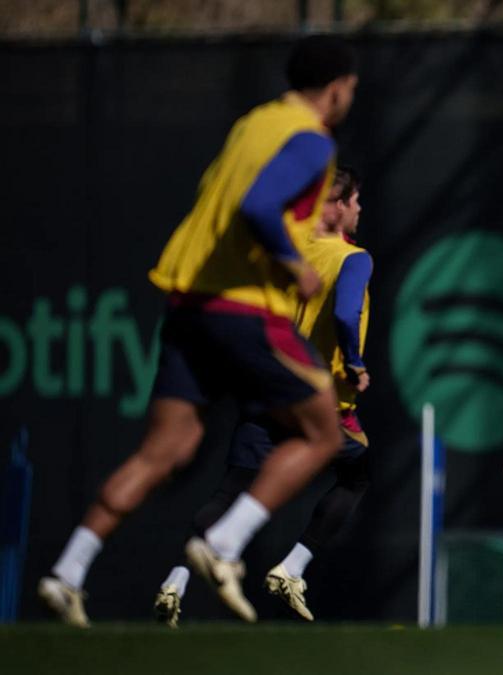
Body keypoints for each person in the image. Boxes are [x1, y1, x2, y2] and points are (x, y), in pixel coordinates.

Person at [38, 35, 359, 627]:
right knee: (321, 430)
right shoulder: (313, 141)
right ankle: (221, 545)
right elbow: (260, 208)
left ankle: (68, 570)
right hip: (240, 306)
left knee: (168, 450)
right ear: (338, 88)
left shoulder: (252, 123)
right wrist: (294, 267)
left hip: (188, 302)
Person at [153, 167, 373, 627]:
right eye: (354, 202)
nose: (359, 210)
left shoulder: (283, 253)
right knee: (356, 475)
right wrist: (353, 360)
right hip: (322, 401)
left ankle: (175, 580)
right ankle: (292, 568)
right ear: (336, 206)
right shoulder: (353, 258)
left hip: (268, 389)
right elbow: (347, 313)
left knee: (232, 489)